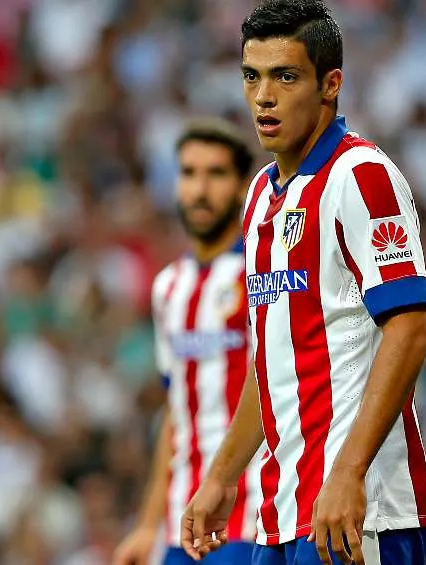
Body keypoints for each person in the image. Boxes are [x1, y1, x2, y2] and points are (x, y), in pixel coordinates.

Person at [180, 2, 426, 565]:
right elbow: (273, 360)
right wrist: (222, 476)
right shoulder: (259, 197)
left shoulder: (360, 176)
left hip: (358, 511)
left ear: (330, 84)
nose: (263, 96)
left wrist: (348, 472)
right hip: (282, 511)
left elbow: (410, 329)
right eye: (252, 76)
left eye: (285, 76)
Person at [112, 118, 262, 565]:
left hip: (251, 514)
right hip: (181, 523)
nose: (199, 188)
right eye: (189, 173)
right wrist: (146, 525)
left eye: (215, 174)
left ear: (240, 188)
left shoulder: (262, 275)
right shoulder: (167, 289)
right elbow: (175, 413)